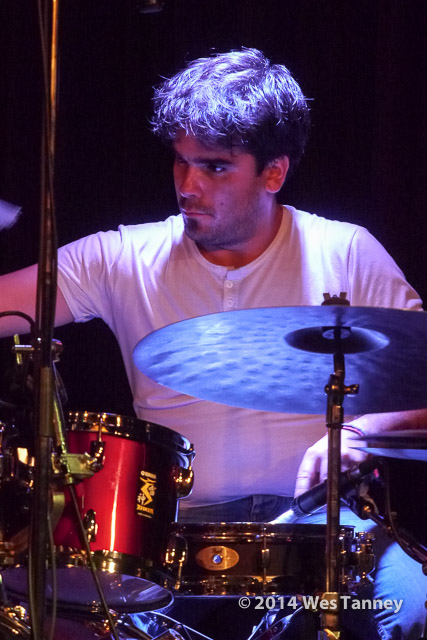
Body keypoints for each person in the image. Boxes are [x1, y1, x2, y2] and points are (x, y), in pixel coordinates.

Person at [0, 48, 426, 639]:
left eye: (216, 168)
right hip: (169, 536)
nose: (188, 185)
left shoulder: (346, 251)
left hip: (322, 525)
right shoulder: (121, 257)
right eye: (181, 161)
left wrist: (357, 434)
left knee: (410, 608)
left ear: (273, 173)